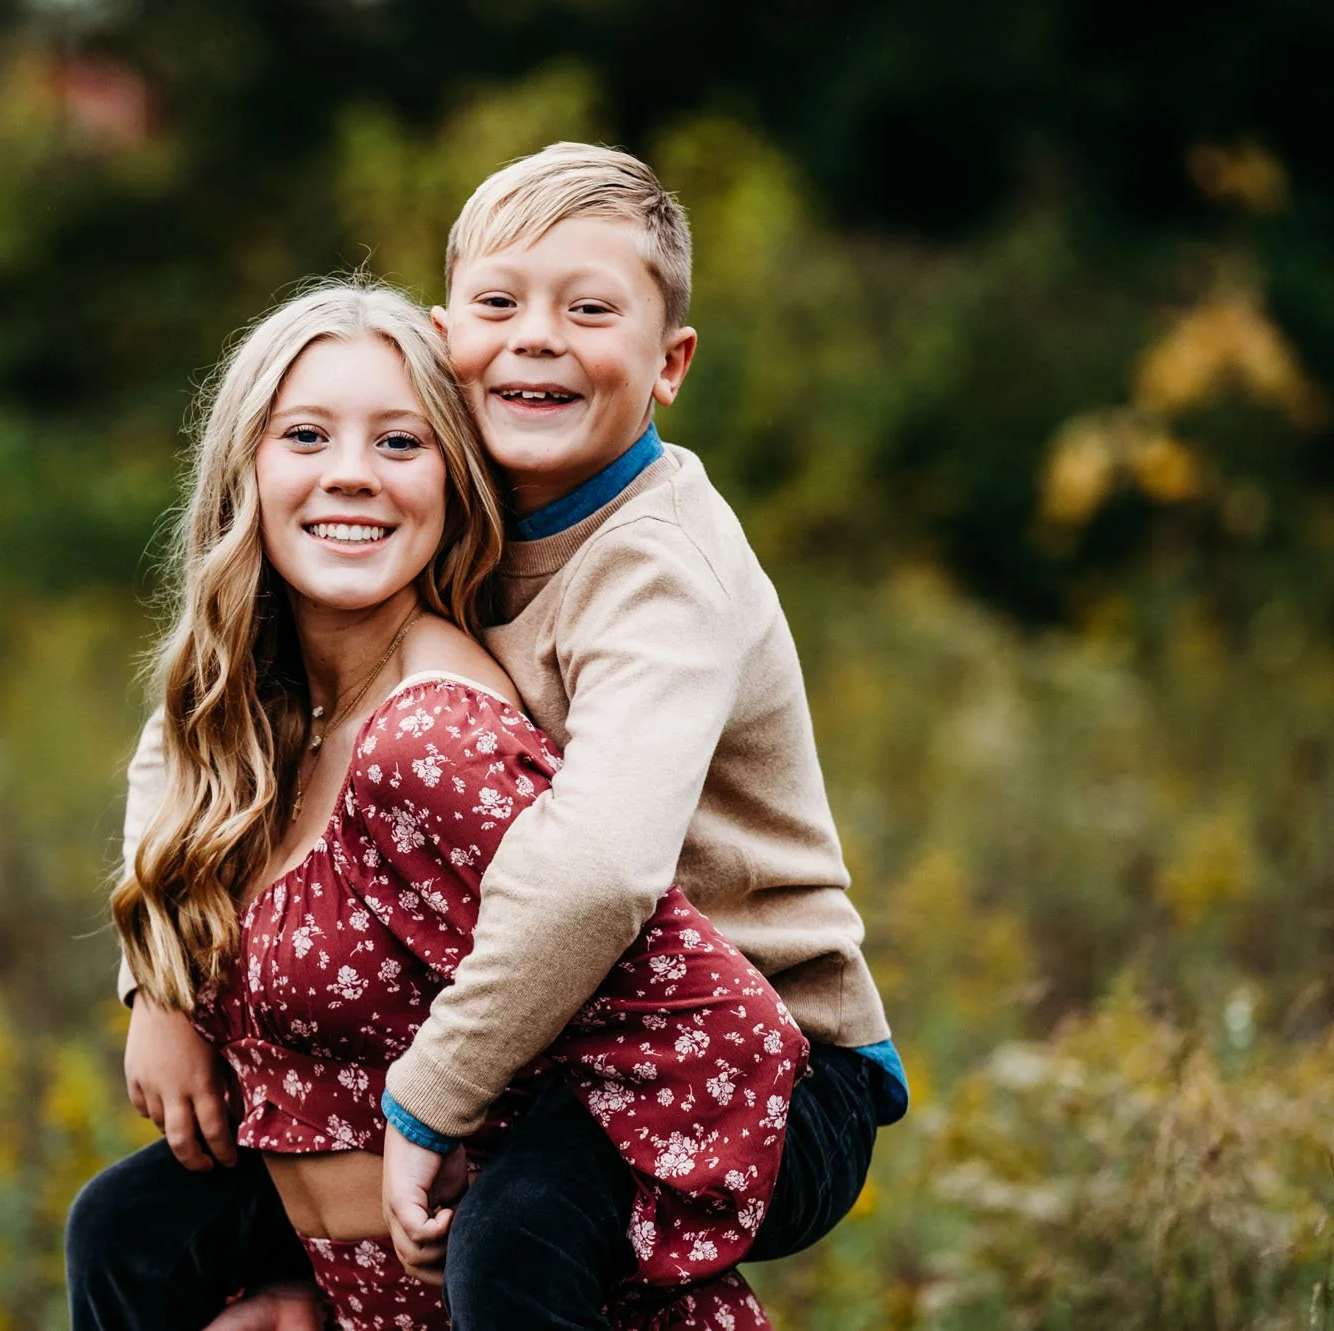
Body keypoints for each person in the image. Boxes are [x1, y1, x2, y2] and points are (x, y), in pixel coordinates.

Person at [82, 142, 910, 1329]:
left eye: (587, 309)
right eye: (499, 303)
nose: (535, 337)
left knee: (515, 1230)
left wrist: (428, 1099)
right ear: (445, 337)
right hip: (573, 1021)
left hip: (765, 1047)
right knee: (130, 1227)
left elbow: (599, 867)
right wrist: (158, 984)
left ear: (670, 362)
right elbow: (194, 728)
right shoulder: (449, 515)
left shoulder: (658, 568)